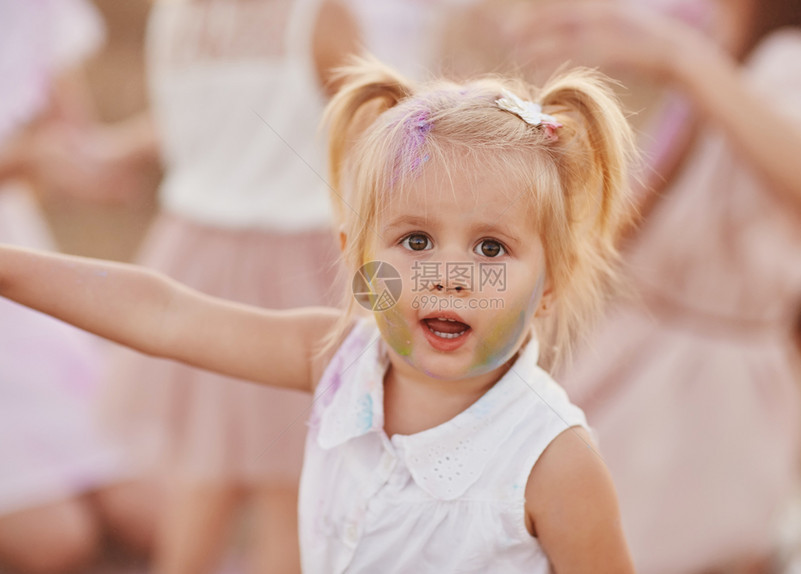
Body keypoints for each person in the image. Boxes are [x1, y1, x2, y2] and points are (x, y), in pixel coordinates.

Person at [0, 56, 638, 573]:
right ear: (356, 260)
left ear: (551, 282)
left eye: (491, 247)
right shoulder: (341, 362)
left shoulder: (553, 461)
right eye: (415, 241)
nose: (449, 275)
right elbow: (165, 315)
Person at [513, 1, 801, 572]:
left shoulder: (798, 60)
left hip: (702, 392)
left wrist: (687, 62)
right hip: (648, 357)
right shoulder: (723, 41)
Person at [37, 1, 362, 572]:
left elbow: (190, 118)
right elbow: (371, 130)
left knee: (202, 464)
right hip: (298, 252)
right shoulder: (319, 14)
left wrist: (117, 147)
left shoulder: (179, 14)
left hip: (195, 248)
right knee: (291, 479)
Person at [0, 0, 159, 572]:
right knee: (55, 542)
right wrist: (29, 159)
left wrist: (165, 134)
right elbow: (36, 155)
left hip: (16, 267)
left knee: (154, 512)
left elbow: (76, 144)